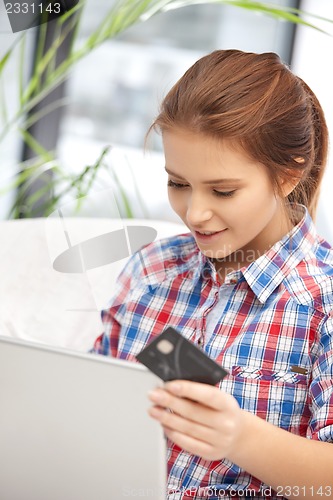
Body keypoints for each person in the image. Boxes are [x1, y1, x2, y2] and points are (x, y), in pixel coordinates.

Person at [92, 50, 333, 499]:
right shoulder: (152, 271)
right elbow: (89, 402)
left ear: (286, 175)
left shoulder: (324, 302)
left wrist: (241, 438)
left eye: (223, 190)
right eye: (178, 184)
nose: (195, 213)